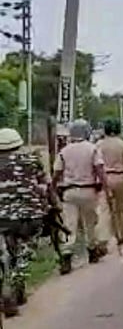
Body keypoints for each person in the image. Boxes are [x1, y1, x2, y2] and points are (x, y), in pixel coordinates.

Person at [0, 128, 50, 316]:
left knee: (5, 250)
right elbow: (45, 185)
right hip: (28, 217)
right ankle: (16, 284)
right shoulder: (32, 160)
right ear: (18, 144)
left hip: (1, 219)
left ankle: (8, 287)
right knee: (24, 250)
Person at [52, 119, 107, 268]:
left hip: (69, 192)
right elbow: (99, 170)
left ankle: (66, 255)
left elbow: (57, 172)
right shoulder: (92, 148)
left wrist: (53, 187)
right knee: (90, 223)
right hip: (88, 191)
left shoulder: (64, 151)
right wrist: (105, 186)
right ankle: (92, 250)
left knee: (70, 224)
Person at [97, 119, 123, 245]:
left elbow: (95, 164)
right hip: (121, 177)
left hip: (104, 178)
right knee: (121, 208)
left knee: (105, 209)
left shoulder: (99, 145)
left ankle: (104, 238)